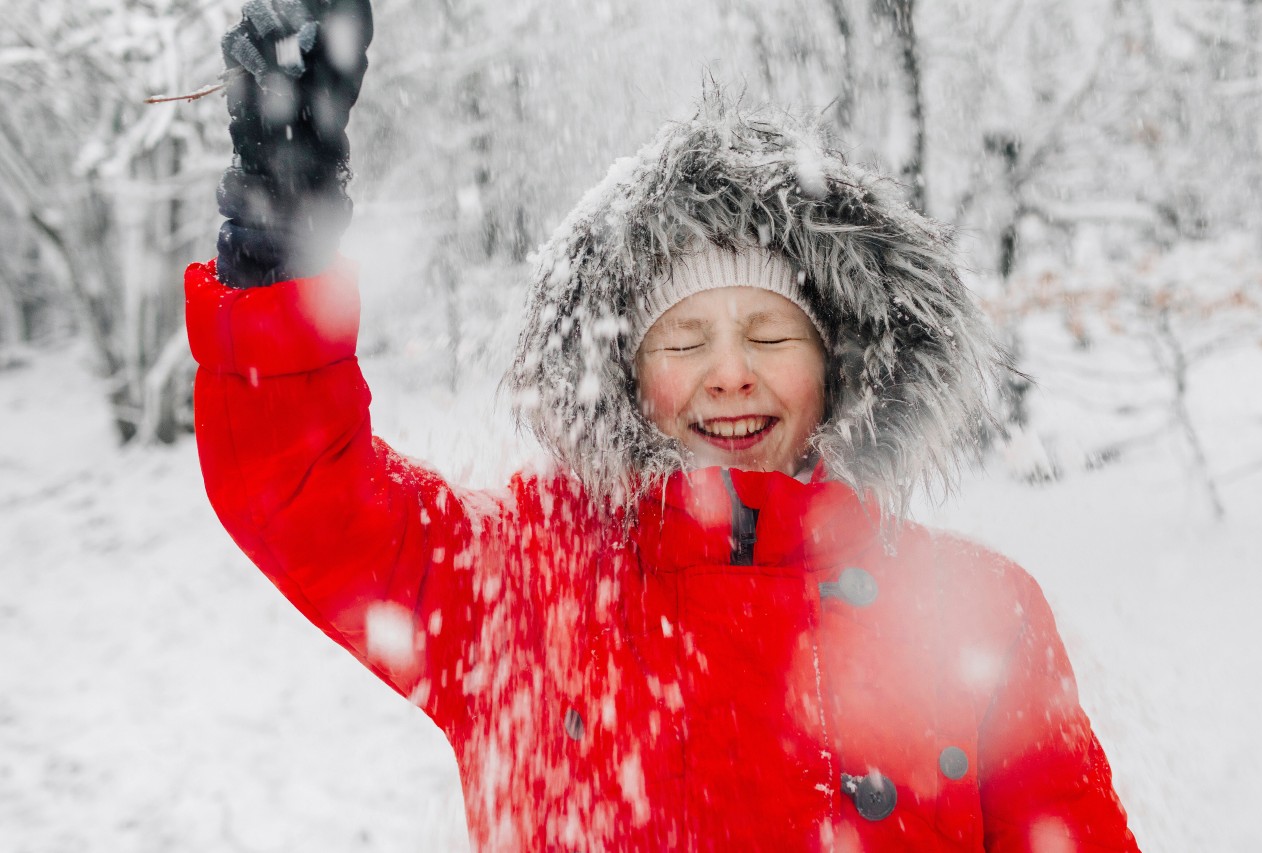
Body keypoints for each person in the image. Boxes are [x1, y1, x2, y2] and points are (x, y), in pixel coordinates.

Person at [188, 1, 1139, 850]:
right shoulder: (523, 582)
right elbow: (298, 487)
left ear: (840, 361)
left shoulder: (974, 610)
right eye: (683, 339)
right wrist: (283, 227)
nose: (731, 373)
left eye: (771, 331)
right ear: (626, 374)